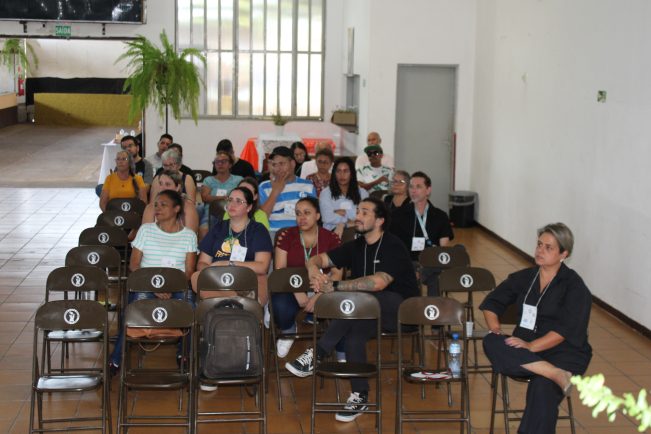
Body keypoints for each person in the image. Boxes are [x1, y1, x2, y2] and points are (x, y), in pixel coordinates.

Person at [285, 197, 419, 423]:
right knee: (354, 331)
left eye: (365, 213)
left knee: (360, 297)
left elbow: (378, 283)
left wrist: (335, 286)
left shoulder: (393, 245)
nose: (357, 216)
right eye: (357, 211)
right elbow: (318, 259)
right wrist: (313, 270)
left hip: (402, 312)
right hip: (368, 311)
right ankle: (360, 395)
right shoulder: (356, 245)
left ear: (379, 221)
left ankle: (318, 352)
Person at [480, 223, 592, 434]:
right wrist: (496, 329)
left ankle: (553, 372)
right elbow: (492, 302)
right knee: (491, 339)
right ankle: (556, 374)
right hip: (526, 352)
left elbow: (564, 331)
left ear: (564, 254)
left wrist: (531, 346)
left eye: (549, 247)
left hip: (564, 352)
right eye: (539, 244)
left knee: (542, 386)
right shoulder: (524, 277)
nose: (540, 250)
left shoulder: (575, 286)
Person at [109, 189, 198, 376]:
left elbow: (189, 271)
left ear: (176, 208)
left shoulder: (189, 235)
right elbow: (134, 264)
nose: (158, 208)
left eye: (163, 204)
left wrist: (170, 286)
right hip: (146, 284)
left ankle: (185, 354)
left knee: (190, 307)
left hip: (176, 286)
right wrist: (153, 286)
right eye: (156, 204)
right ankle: (117, 360)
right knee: (134, 306)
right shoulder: (146, 230)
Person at [272, 197, 343, 358]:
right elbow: (280, 270)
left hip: (323, 286)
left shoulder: (331, 238)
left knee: (342, 305)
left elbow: (337, 274)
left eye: (307, 213)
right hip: (291, 284)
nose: (301, 217)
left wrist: (320, 295)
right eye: (298, 213)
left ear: (318, 215)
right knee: (279, 304)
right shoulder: (286, 235)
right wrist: (296, 290)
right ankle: (288, 330)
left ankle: (341, 349)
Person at [191, 187, 272, 305]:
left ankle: (225, 304)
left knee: (262, 281)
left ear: (249, 207)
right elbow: (202, 263)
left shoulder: (258, 230)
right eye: (230, 200)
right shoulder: (218, 228)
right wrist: (215, 271)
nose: (232, 204)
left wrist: (229, 264)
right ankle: (238, 304)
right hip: (219, 279)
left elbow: (262, 267)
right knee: (196, 277)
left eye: (239, 201)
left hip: (248, 279)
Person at [390, 171, 454, 300]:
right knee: (429, 274)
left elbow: (444, 248)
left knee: (438, 274)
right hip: (407, 263)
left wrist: (421, 269)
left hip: (431, 263)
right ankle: (419, 307)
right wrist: (409, 267)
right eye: (411, 187)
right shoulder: (397, 215)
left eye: (418, 187)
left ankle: (433, 308)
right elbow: (392, 246)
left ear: (428, 190)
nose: (414, 191)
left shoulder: (440, 216)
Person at [259, 146, 316, 234]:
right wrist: (275, 192)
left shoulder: (307, 186)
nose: (278, 169)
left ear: (292, 164)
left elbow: (313, 216)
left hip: (299, 233)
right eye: (274, 165)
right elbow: (261, 217)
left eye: (282, 164)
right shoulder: (264, 186)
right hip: (273, 233)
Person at [319, 157, 369, 238]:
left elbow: (366, 215)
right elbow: (327, 217)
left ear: (352, 173)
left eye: (346, 171)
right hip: (331, 236)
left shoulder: (362, 193)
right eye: (338, 171)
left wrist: (344, 212)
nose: (342, 175)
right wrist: (347, 221)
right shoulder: (326, 193)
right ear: (334, 173)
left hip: (357, 236)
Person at [199, 151, 244, 240]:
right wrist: (227, 197)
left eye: (223, 161)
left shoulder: (238, 180)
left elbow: (242, 197)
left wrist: (214, 198)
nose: (220, 164)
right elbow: (205, 197)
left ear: (230, 164)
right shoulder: (209, 180)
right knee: (203, 230)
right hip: (211, 214)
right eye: (217, 161)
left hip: (232, 214)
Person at [142, 170, 199, 235]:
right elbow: (145, 234)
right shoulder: (151, 207)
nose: (162, 188)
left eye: (167, 184)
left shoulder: (188, 206)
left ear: (177, 187)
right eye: (160, 183)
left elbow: (191, 235)